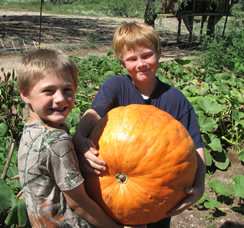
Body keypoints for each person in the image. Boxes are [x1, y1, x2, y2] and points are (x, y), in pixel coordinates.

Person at [72, 22, 206, 228]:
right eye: (132, 59)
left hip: (159, 199)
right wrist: (79, 138)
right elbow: (93, 115)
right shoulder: (116, 86)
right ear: (122, 61)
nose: (141, 63)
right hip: (108, 202)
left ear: (159, 53)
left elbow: (196, 146)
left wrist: (199, 187)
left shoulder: (175, 100)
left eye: (146, 55)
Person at [17, 48, 143, 228]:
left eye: (67, 89)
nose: (60, 99)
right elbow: (79, 204)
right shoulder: (57, 141)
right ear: (25, 94)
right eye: (48, 91)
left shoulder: (31, 130)